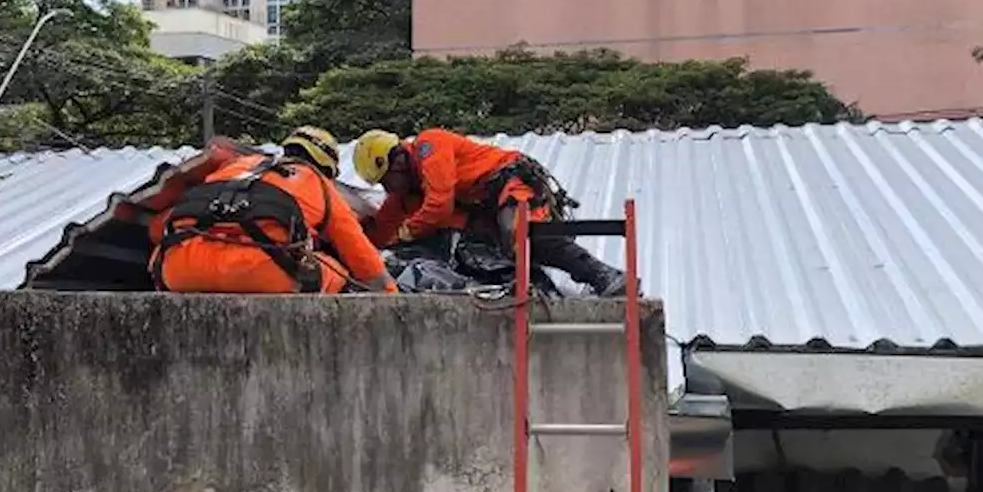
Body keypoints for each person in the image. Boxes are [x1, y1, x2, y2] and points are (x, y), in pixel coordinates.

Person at [351, 127, 629, 297]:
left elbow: (439, 204)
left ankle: (604, 275)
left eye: (388, 180)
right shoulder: (405, 197)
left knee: (522, 235)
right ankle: (534, 288)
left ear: (397, 161)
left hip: (509, 183)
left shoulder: (429, 147)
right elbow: (379, 233)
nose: (389, 189)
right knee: (487, 252)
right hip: (487, 208)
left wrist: (407, 230)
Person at [149, 126, 397, 294]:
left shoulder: (233, 167)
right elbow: (364, 261)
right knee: (336, 270)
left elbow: (161, 227)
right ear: (327, 168)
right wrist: (392, 296)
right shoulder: (318, 183)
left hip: (182, 270)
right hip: (257, 271)